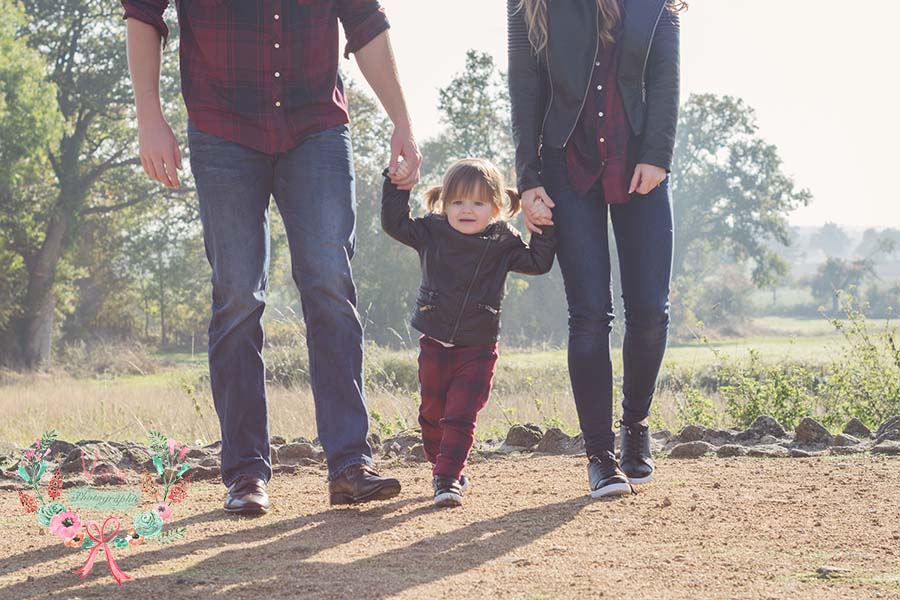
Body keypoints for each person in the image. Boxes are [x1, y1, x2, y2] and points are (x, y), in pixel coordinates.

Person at [122, 0, 422, 513]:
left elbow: (367, 24)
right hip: (222, 128)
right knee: (238, 293)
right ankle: (244, 474)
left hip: (317, 127)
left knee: (330, 280)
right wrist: (150, 116)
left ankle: (350, 463)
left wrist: (402, 120)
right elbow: (143, 14)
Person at [507, 0, 685, 498]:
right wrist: (528, 179)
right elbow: (524, 88)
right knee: (588, 314)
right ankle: (601, 457)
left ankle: (635, 425)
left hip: (640, 165)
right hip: (566, 164)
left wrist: (657, 155)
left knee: (650, 311)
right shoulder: (529, 3)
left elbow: (667, 75)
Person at [381, 158, 556, 507]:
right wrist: (397, 186)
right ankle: (443, 465)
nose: (466, 210)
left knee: (461, 415)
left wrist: (544, 226)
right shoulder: (431, 231)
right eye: (458, 202)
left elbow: (538, 263)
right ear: (444, 203)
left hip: (478, 348)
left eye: (477, 203)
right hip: (434, 342)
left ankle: (447, 479)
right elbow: (394, 223)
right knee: (432, 414)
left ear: (495, 207)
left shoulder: (503, 242)